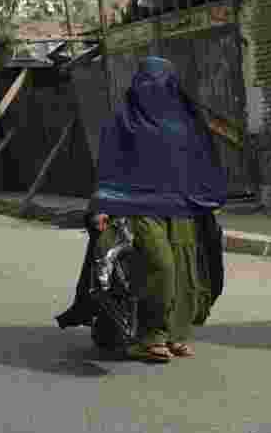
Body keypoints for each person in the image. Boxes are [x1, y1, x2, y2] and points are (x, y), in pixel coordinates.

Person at [56, 56, 227, 363]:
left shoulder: (187, 121)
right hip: (134, 207)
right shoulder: (121, 121)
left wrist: (205, 199)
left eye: (160, 84)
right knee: (160, 265)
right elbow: (109, 168)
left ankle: (175, 334)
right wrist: (101, 205)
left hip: (182, 207)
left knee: (187, 274)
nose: (153, 90)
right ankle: (149, 336)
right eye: (146, 83)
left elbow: (201, 162)